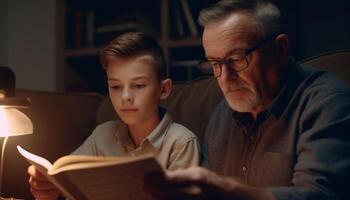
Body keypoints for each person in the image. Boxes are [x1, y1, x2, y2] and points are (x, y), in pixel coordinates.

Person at [145, 0, 350, 199]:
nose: (225, 78)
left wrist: (226, 190)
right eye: (215, 63)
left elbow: (322, 194)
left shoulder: (328, 103)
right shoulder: (221, 115)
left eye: (236, 59)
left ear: (280, 49)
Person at [27, 32, 200, 200]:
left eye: (139, 85)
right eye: (116, 87)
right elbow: (68, 187)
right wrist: (50, 191)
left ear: (163, 89)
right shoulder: (102, 136)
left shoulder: (181, 143)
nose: (125, 97)